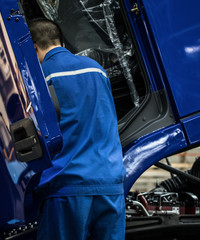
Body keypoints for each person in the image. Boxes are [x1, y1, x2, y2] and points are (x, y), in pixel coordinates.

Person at [28, 18, 126, 240]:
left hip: (68, 186)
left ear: (32, 47)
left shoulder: (40, 76)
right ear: (60, 41)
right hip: (110, 183)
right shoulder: (98, 70)